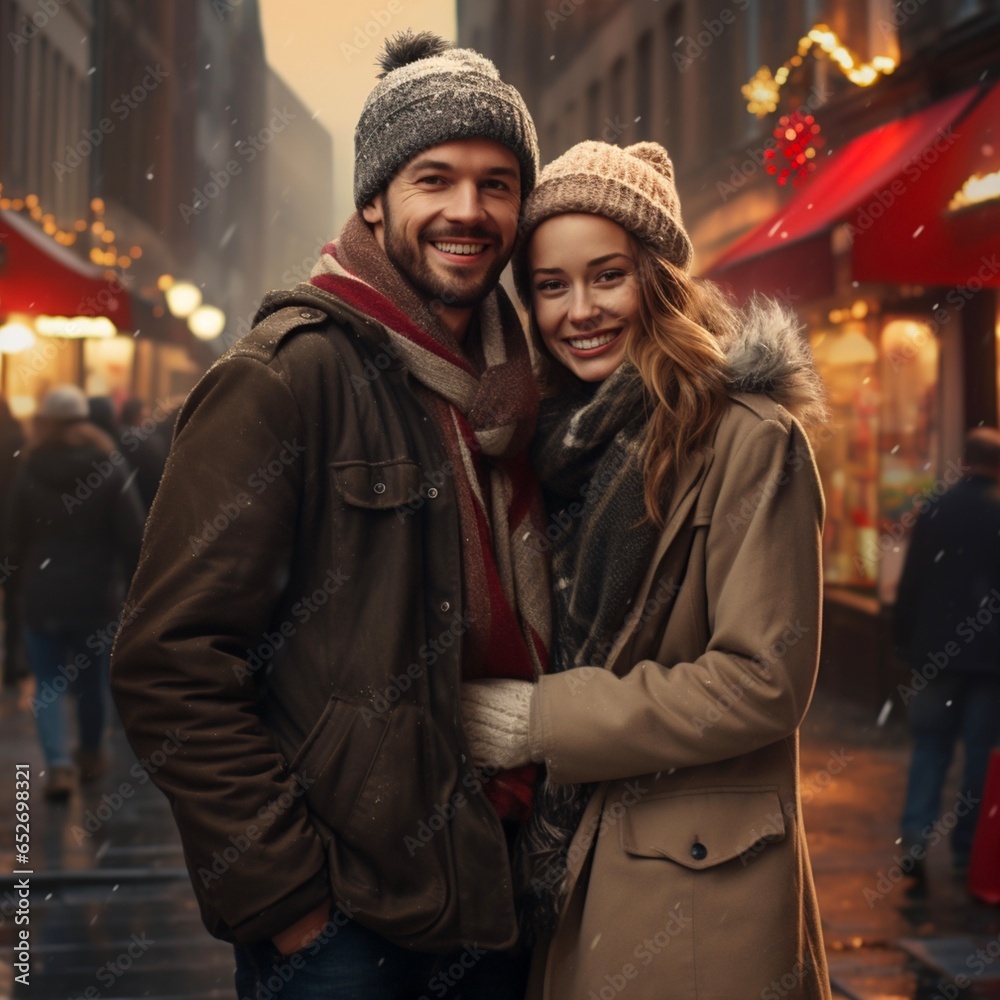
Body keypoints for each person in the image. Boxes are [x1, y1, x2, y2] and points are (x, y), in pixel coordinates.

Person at [110, 31, 548, 999]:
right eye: (434, 178)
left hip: (500, 887)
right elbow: (168, 662)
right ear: (374, 199)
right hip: (351, 926)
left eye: (498, 182)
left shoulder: (516, 389)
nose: (468, 210)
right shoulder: (286, 377)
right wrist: (291, 901)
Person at [457, 141, 833, 998]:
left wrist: (540, 722)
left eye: (607, 276)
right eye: (551, 285)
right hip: (555, 876)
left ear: (656, 280)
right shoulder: (532, 449)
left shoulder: (746, 438)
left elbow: (764, 679)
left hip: (696, 889)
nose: (579, 310)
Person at [4, 385, 144, 798]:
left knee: (47, 682)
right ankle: (89, 753)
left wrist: (14, 586)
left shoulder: (29, 467)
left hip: (42, 591)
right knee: (90, 680)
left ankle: (59, 764)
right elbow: (133, 535)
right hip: (95, 594)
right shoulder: (108, 464)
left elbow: (13, 536)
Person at [893, 427, 1000, 886]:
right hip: (991, 659)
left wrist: (903, 641)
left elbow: (911, 581)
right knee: (980, 753)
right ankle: (967, 849)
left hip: (935, 654)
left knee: (930, 747)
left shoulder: (935, 508)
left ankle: (915, 839)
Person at [0, 394, 28, 692]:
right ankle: (13, 663)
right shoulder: (18, 441)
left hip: (11, 533)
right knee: (13, 603)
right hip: (11, 536)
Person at [118, 397, 168, 511]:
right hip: (143, 501)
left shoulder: (112, 437)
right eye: (144, 417)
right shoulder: (149, 442)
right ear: (138, 416)